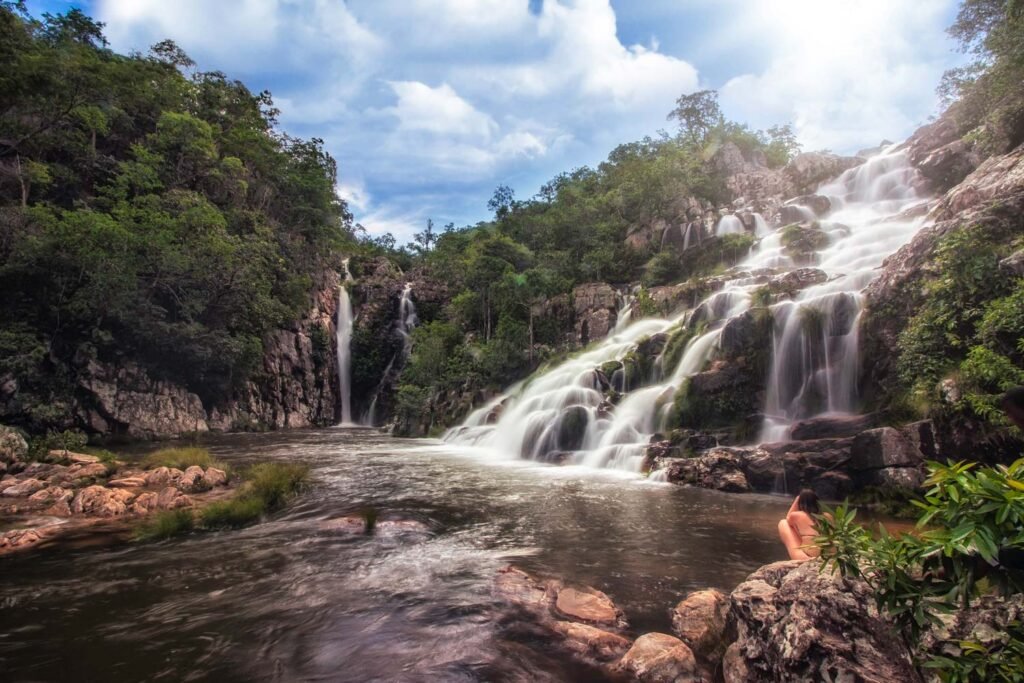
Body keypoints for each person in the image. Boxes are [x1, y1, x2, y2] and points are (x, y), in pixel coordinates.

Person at [777, 489, 821, 561]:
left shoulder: (797, 515)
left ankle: (802, 557)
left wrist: (797, 500)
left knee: (783, 523)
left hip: (809, 556)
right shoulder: (828, 516)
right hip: (829, 556)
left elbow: (788, 519)